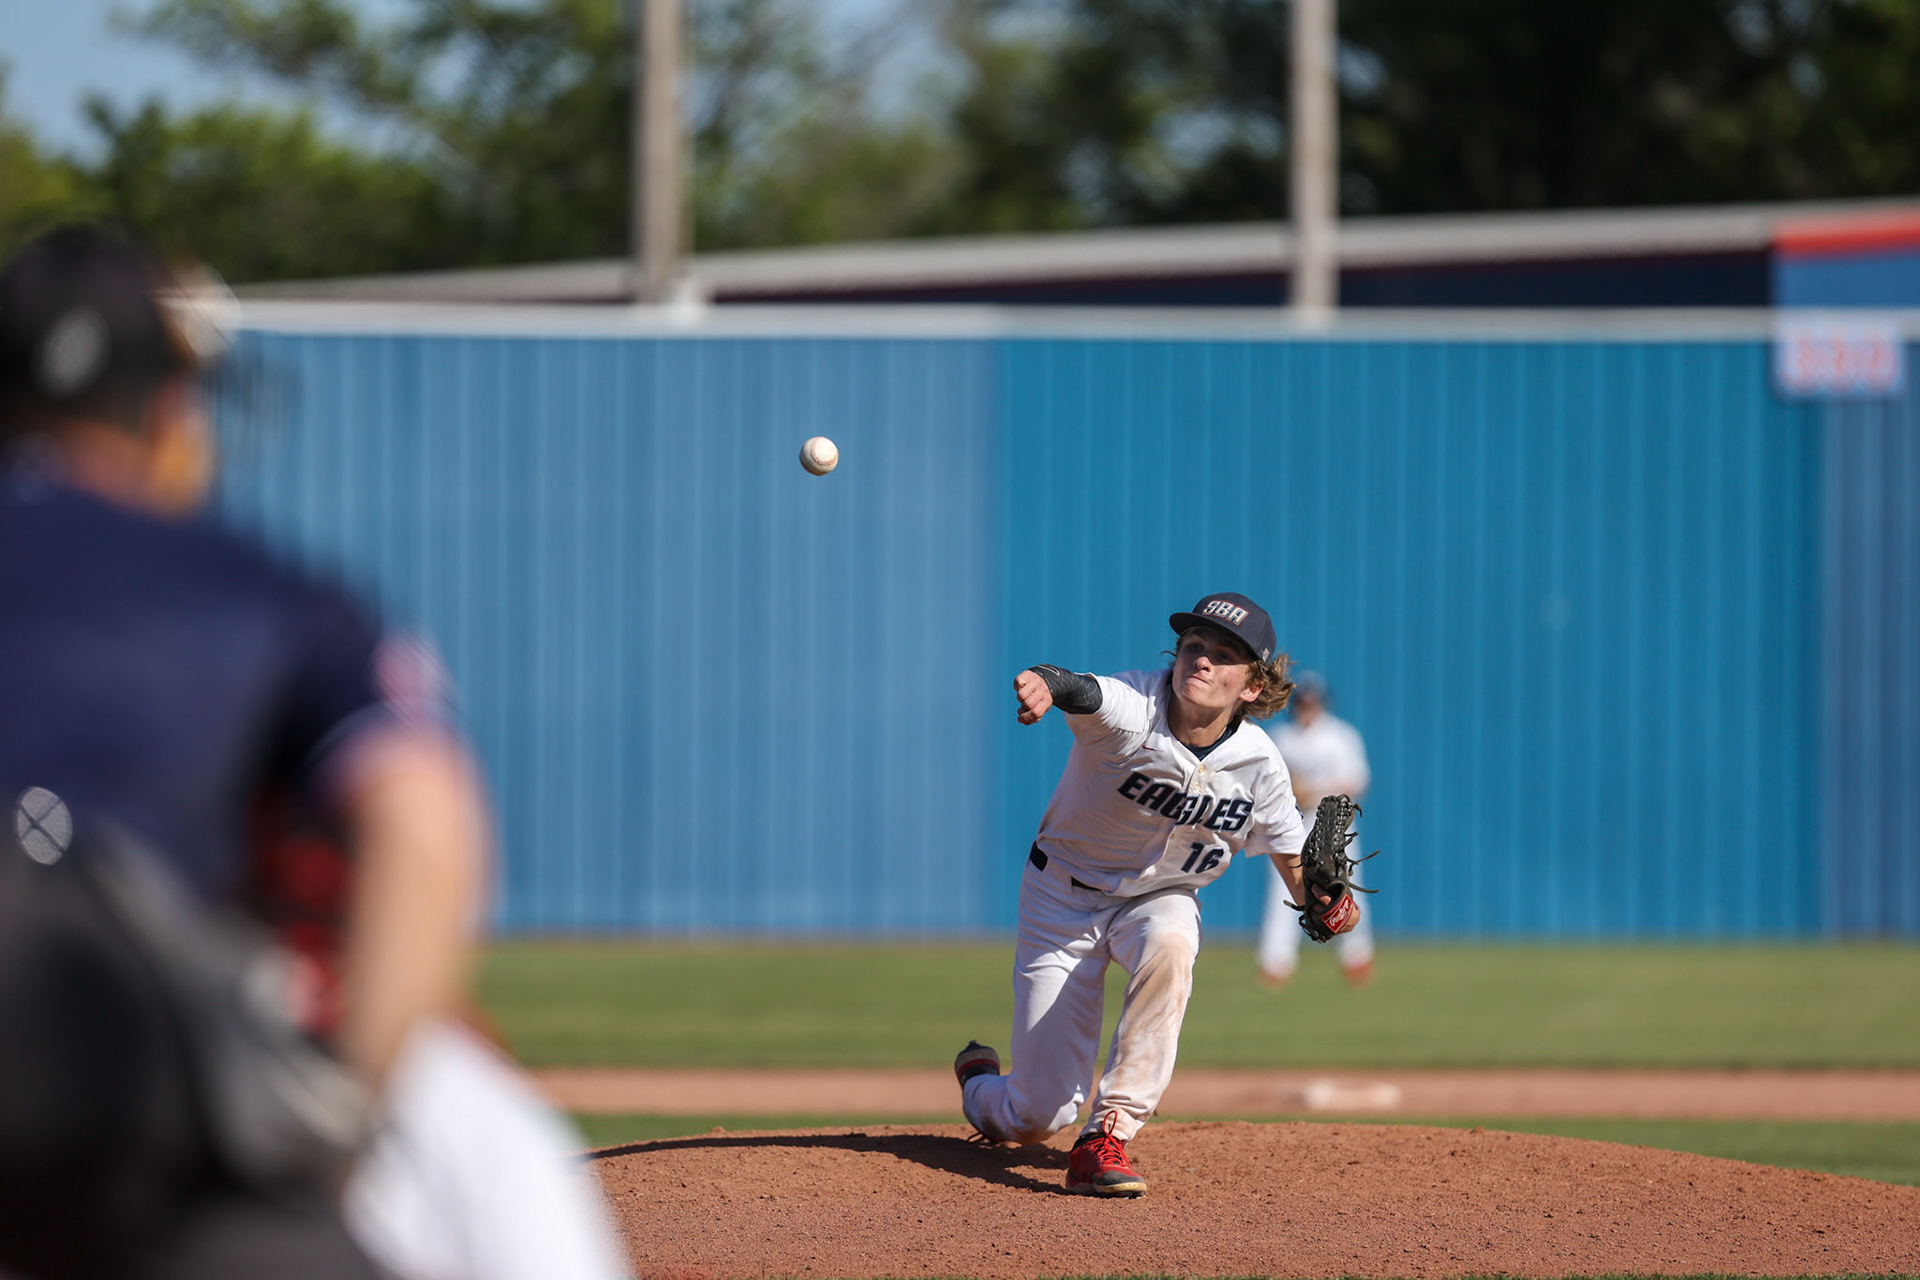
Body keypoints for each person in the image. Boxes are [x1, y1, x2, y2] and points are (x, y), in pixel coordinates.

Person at [0, 223, 625, 1280]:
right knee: (489, 1157)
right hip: (112, 1052)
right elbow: (424, 825)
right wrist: (341, 1115)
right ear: (169, 409)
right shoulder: (260, 590)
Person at [954, 593, 1361, 1197]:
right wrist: (1043, 681)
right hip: (1062, 897)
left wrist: (1323, 902)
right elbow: (1080, 688)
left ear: (1253, 686)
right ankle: (980, 1083)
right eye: (1194, 646)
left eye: (1225, 656)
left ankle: (1107, 1135)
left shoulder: (1260, 766)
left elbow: (1291, 859)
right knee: (1038, 1114)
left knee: (1171, 938)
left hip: (1160, 897)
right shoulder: (1134, 704)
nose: (1202, 660)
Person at [1255, 669, 1374, 987]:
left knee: (1346, 886)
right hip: (1292, 822)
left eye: (1313, 701)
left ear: (1322, 702)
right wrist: (1302, 791)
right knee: (1284, 887)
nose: (1307, 706)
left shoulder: (1341, 736)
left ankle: (1356, 957)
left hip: (1334, 826)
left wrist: (1315, 792)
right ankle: (1275, 962)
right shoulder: (1283, 738)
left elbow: (1356, 783)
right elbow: (1271, 786)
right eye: (1303, 701)